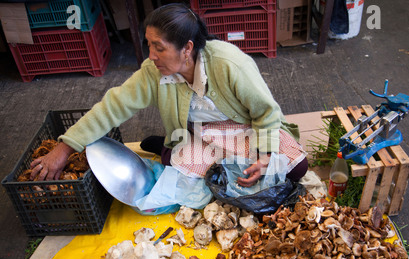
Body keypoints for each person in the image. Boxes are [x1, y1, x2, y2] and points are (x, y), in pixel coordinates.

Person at [30, 3, 308, 189]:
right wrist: (65, 147)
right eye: (149, 45)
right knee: (180, 167)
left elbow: (265, 113)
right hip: (200, 133)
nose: (151, 55)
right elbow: (113, 106)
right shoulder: (155, 71)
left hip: (246, 129)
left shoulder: (229, 64)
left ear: (187, 48)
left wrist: (264, 154)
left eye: (159, 47)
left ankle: (165, 148)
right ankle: (165, 148)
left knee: (296, 168)